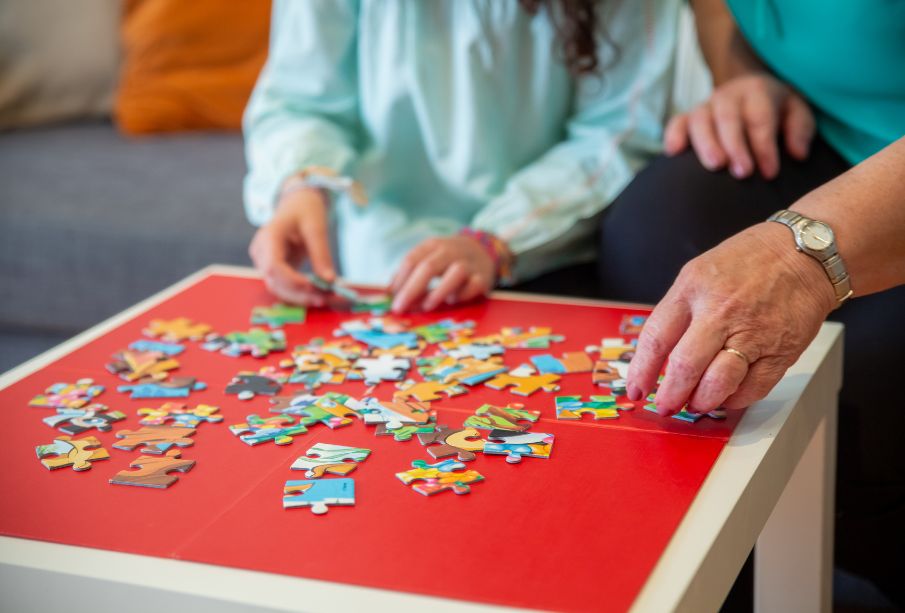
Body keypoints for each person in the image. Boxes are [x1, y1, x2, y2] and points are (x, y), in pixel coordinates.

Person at [598, 0, 905, 606]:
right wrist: (742, 77)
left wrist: (802, 256)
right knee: (652, 231)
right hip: (820, 132)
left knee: (867, 372)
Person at [243, 0, 679, 311]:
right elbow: (302, 101)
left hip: (546, 253)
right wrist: (301, 187)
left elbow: (615, 134)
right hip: (384, 271)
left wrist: (496, 237)